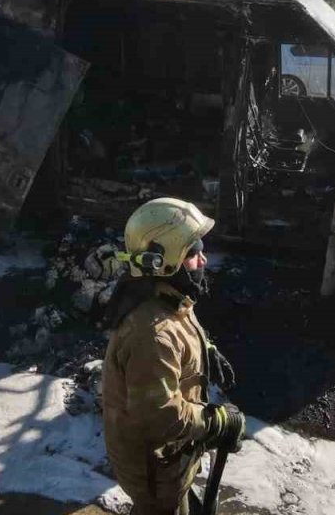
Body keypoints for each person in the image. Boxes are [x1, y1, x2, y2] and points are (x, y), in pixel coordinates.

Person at [102, 198, 244, 515]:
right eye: (192, 254)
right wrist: (217, 423)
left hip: (170, 458)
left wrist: (205, 350)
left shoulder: (166, 295)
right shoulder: (151, 335)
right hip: (155, 470)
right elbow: (161, 417)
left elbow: (180, 325)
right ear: (164, 262)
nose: (204, 259)